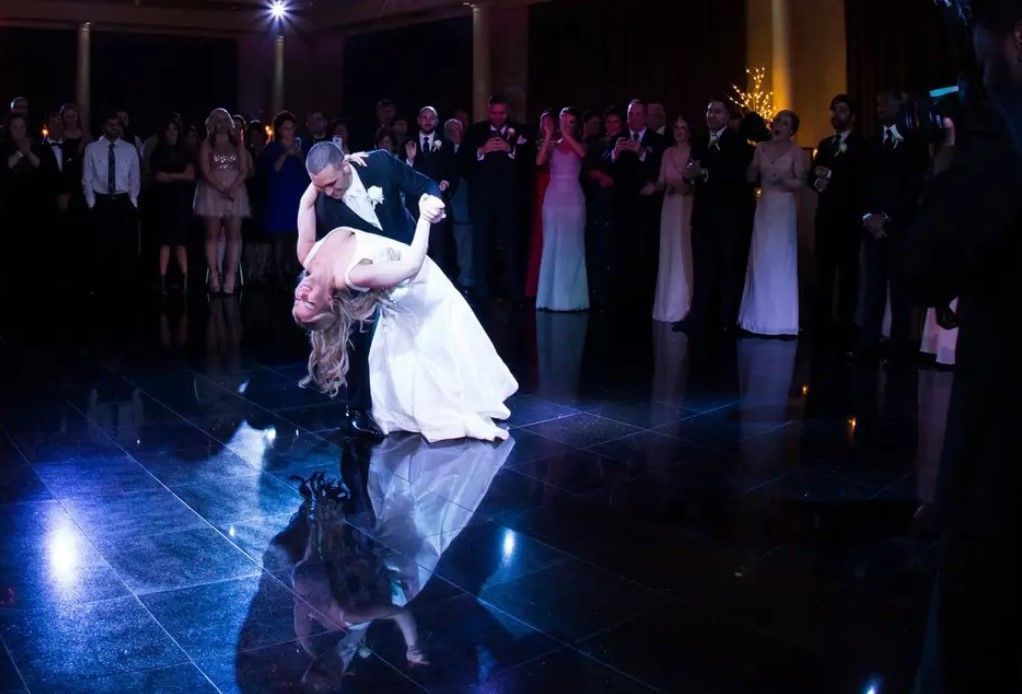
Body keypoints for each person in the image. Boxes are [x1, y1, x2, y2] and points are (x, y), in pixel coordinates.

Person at [906, 4, 1022, 690]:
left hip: (1005, 430)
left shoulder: (1000, 127)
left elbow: (924, 267)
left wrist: (944, 167)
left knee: (968, 641)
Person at [293, 192, 517, 442]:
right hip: (418, 283)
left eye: (298, 300)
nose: (302, 294)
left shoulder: (308, 257)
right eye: (310, 303)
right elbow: (411, 266)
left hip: (404, 288)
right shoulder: (353, 275)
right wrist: (424, 218)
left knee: (417, 347)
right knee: (442, 341)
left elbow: (305, 203)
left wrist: (320, 175)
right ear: (329, 301)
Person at [302, 142, 442, 437]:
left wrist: (433, 202)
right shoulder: (326, 207)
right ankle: (358, 408)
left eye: (331, 183)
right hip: (369, 275)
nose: (328, 192)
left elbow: (425, 184)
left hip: (408, 253)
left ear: (344, 166)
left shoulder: (378, 164)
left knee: (428, 332)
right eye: (320, 187)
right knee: (360, 333)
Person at [849, 89, 930, 365]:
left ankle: (898, 347)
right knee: (872, 287)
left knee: (899, 290)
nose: (878, 105)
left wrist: (886, 216)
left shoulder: (915, 144)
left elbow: (914, 188)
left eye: (884, 100)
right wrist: (867, 217)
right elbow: (860, 186)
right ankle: (867, 343)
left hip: (900, 227)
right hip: (872, 227)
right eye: (876, 101)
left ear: (900, 104)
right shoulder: (870, 144)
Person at [676, 97, 756, 335]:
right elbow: (691, 171)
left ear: (727, 116)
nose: (712, 115)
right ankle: (698, 315)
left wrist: (706, 173)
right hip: (703, 215)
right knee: (702, 267)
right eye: (709, 111)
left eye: (717, 112)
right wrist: (690, 175)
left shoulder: (738, 143)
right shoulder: (699, 141)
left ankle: (726, 319)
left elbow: (737, 176)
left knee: (728, 267)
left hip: (729, 215)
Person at [737, 110, 805, 336]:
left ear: (791, 130)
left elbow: (801, 182)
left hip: (783, 208)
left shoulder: (796, 151)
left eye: (785, 123)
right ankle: (756, 318)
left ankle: (782, 320)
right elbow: (750, 177)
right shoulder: (761, 148)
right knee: (761, 257)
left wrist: (785, 180)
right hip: (764, 206)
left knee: (781, 259)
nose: (779, 126)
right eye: (777, 121)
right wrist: (752, 169)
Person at [811, 94, 867, 340]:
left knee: (848, 273)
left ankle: (846, 322)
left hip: (848, 219)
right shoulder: (825, 145)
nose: (836, 115)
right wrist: (817, 180)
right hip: (825, 218)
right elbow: (811, 176)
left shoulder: (862, 144)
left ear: (853, 115)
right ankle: (822, 320)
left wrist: (832, 177)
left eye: (842, 111)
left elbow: (860, 180)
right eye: (833, 111)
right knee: (823, 271)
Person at [465, 94, 530, 300]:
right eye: (494, 113)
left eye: (501, 113)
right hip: (482, 201)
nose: (498, 117)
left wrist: (511, 150)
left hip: (509, 201)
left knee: (512, 246)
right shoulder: (476, 131)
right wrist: (481, 151)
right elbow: (463, 163)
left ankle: (514, 292)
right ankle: (482, 291)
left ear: (507, 111)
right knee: (481, 245)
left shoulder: (520, 130)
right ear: (488, 111)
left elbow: (529, 164)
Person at [603, 98, 668, 302]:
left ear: (646, 117)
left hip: (646, 206)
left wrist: (641, 153)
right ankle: (622, 296)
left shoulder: (656, 141)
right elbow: (604, 163)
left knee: (645, 251)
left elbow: (660, 169)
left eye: (637, 114)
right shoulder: (618, 138)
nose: (632, 118)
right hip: (621, 206)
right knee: (621, 252)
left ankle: (644, 298)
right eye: (630, 114)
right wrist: (615, 153)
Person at [535, 106, 588, 311]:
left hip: (573, 199)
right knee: (552, 245)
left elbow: (582, 153)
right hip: (553, 199)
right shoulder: (552, 145)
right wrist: (549, 135)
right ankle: (549, 298)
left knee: (572, 246)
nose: (566, 125)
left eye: (571, 122)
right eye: (563, 121)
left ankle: (571, 298)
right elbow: (539, 161)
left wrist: (565, 134)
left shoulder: (579, 144)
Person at [82, 111, 141, 293]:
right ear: (103, 126)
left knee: (124, 247)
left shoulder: (129, 149)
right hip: (101, 201)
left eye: (117, 124)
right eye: (110, 124)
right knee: (101, 246)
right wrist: (92, 204)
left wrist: (132, 201)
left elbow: (134, 178)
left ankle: (124, 286)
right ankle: (101, 286)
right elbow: (87, 179)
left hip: (123, 201)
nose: (113, 128)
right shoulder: (92, 149)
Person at [194, 107, 251, 295]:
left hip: (235, 190)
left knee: (234, 235)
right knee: (213, 235)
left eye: (224, 119)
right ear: (211, 123)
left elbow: (244, 169)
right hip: (212, 190)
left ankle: (230, 276)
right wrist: (220, 187)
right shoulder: (206, 144)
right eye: (217, 120)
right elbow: (204, 169)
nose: (221, 123)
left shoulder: (237, 144)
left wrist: (232, 187)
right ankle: (213, 274)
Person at [646, 116, 695, 323]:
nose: (679, 131)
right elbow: (661, 181)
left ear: (689, 132)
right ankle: (666, 304)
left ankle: (683, 304)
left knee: (683, 249)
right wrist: (652, 188)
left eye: (683, 127)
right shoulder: (667, 152)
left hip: (686, 205)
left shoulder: (694, 152)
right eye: (676, 127)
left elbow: (696, 183)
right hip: (669, 206)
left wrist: (683, 188)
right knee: (668, 250)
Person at [404, 105, 458, 278]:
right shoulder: (408, 143)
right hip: (414, 204)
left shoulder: (446, 145)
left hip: (437, 202)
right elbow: (401, 172)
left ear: (436, 121)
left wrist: (446, 182)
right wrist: (410, 160)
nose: (427, 122)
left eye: (431, 118)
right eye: (424, 118)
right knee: (415, 246)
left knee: (439, 248)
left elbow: (453, 172)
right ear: (419, 120)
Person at [148, 115, 196, 294]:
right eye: (168, 130)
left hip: (181, 201)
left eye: (174, 129)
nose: (172, 133)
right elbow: (158, 176)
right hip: (163, 202)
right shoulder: (158, 152)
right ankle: (162, 281)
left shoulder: (186, 152)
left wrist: (171, 176)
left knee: (181, 242)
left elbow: (190, 175)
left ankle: (184, 281)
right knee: (165, 241)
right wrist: (179, 176)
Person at [263, 111, 311, 287]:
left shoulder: (302, 146)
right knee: (279, 237)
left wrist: (298, 154)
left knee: (296, 236)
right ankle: (278, 274)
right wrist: (285, 154)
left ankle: (295, 273)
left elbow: (309, 169)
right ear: (279, 131)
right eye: (285, 128)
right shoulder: (272, 148)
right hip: (279, 196)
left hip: (297, 196)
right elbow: (272, 170)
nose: (289, 132)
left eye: (292, 128)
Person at [526, 109, 556, 298]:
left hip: (557, 187)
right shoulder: (536, 143)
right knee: (540, 233)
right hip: (541, 187)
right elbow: (538, 162)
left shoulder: (561, 142)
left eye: (549, 123)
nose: (546, 126)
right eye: (543, 123)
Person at [444, 117, 474, 292]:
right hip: (446, 205)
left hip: (462, 204)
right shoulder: (442, 151)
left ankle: (467, 280)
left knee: (465, 241)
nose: (456, 134)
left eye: (459, 130)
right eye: (452, 131)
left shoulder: (468, 151)